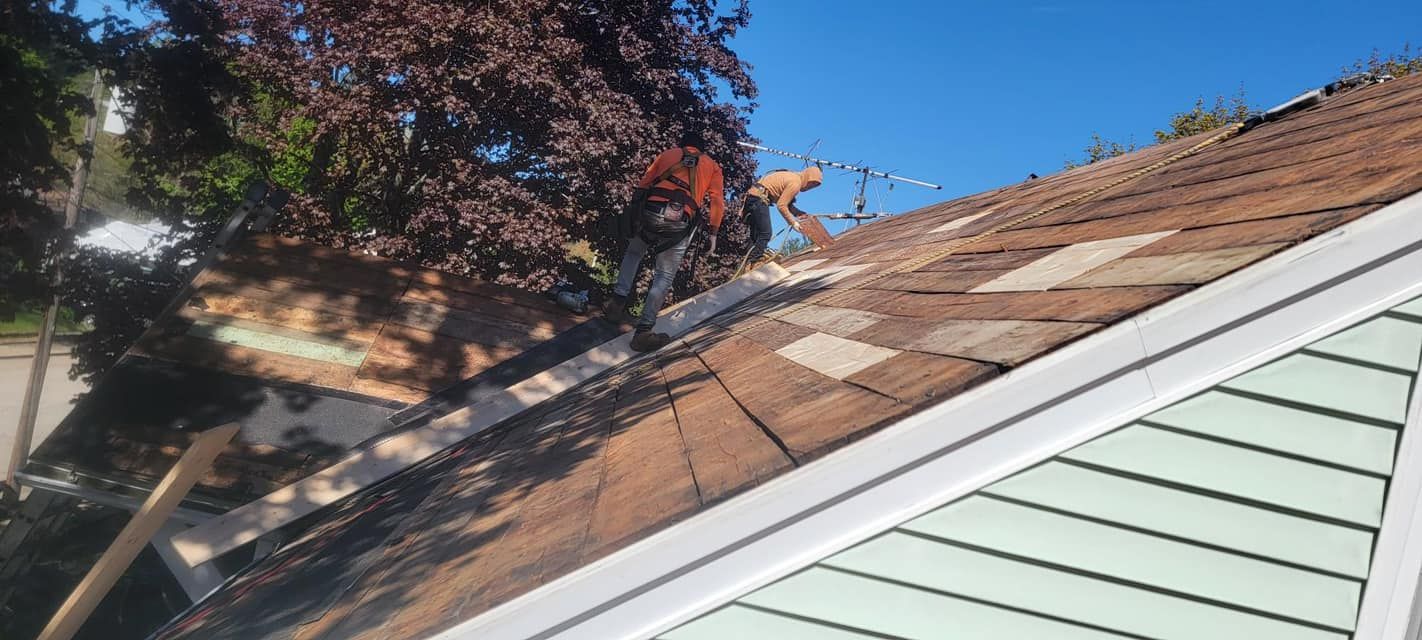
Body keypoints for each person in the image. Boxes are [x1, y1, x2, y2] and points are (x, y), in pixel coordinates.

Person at [604, 132, 726, 352]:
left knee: (634, 253)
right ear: (701, 149)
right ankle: (643, 333)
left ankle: (616, 304)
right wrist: (713, 233)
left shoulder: (668, 154)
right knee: (664, 274)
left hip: (649, 214)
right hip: (679, 223)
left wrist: (633, 214)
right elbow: (717, 201)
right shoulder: (712, 166)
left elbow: (644, 184)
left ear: (683, 146)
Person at [742, 165, 823, 262]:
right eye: (811, 183)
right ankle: (753, 262)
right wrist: (793, 223)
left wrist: (799, 214)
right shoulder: (795, 183)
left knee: (756, 236)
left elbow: (787, 204)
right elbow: (781, 205)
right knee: (766, 233)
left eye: (814, 186)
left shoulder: (793, 176)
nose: (810, 187)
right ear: (807, 177)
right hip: (758, 199)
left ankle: (748, 262)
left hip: (752, 198)